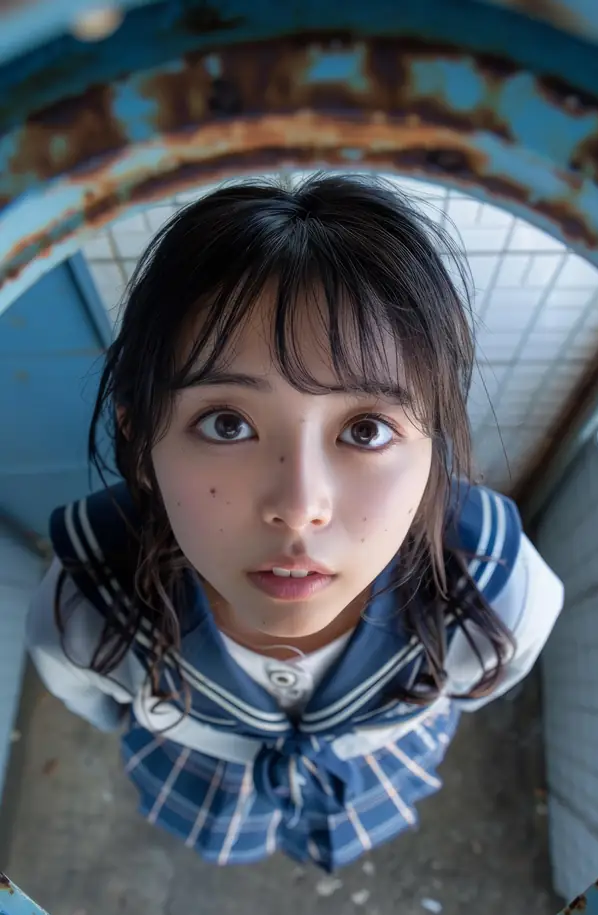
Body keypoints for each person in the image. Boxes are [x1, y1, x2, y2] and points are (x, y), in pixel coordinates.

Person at [25, 173, 564, 873]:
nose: (300, 504)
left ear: (434, 448)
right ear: (142, 440)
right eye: (227, 423)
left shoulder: (492, 587)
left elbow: (489, 677)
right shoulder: (86, 606)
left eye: (366, 429)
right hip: (204, 784)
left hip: (371, 776)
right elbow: (90, 696)